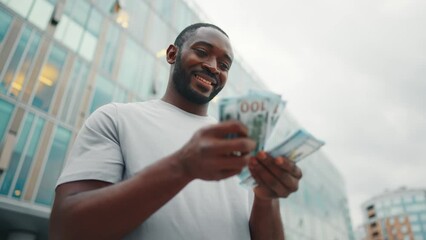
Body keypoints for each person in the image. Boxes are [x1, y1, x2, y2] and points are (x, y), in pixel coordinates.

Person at [49, 23, 302, 240]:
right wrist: (183, 166)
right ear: (172, 54)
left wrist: (266, 196)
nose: (214, 67)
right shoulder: (117, 118)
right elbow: (66, 228)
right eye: (202, 52)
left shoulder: (241, 144)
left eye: (224, 65)